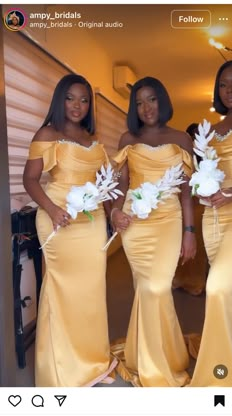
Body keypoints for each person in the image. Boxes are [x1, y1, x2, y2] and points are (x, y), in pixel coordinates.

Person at [23, 74, 117, 387]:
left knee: (90, 292)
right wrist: (51, 209)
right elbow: (31, 179)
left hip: (90, 223)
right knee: (61, 291)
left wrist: (113, 216)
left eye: (84, 99)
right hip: (56, 219)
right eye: (70, 98)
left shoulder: (94, 140)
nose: (77, 105)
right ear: (60, 99)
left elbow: (106, 187)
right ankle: (61, 370)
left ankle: (92, 364)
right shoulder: (48, 133)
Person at [110, 76, 196, 386]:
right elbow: (121, 185)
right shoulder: (127, 141)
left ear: (163, 100)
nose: (146, 107)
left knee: (156, 288)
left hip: (168, 220)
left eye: (152, 99)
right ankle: (155, 357)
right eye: (139, 102)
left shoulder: (181, 140)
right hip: (135, 222)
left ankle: (156, 359)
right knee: (145, 290)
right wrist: (115, 212)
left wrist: (189, 231)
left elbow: (186, 192)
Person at [189, 59, 232, 386]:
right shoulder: (210, 132)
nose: (230, 89)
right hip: (213, 219)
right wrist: (201, 190)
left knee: (218, 288)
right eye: (223, 84)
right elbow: (200, 177)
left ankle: (221, 379)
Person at [172, 122, 208, 296]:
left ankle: (196, 280)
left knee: (198, 240)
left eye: (197, 135)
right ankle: (179, 277)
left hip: (201, 201)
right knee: (180, 238)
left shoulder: (206, 155)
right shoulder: (182, 153)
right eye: (192, 136)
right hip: (184, 199)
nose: (194, 139)